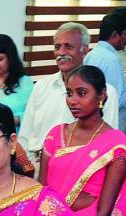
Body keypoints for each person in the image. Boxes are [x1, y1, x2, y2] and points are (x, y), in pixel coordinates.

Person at [40, 65, 126, 216]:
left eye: (82, 93)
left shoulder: (116, 144)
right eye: (69, 93)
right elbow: (41, 193)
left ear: (101, 95)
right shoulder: (55, 135)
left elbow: (106, 208)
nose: (73, 100)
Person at [19, 22, 119, 169]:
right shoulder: (41, 87)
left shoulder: (105, 92)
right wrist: (26, 169)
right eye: (57, 47)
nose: (61, 52)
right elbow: (25, 136)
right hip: (37, 166)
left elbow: (108, 144)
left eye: (68, 47)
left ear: (84, 50)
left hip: (81, 170)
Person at [84, 12, 126, 129]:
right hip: (111, 125)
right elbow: (114, 101)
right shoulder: (112, 60)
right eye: (125, 34)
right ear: (114, 35)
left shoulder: (92, 54)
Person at [0, 34, 34, 130]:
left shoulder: (24, 83)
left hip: (15, 137)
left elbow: (35, 114)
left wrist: (15, 120)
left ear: (10, 58)